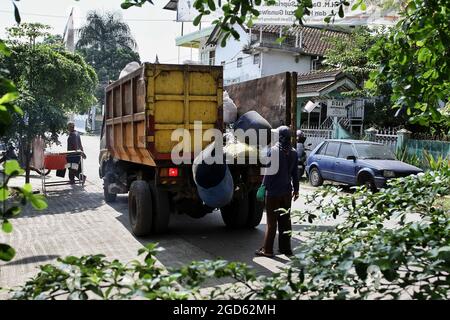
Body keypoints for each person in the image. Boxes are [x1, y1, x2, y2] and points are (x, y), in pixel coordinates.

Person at [255, 126, 299, 258]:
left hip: (273, 193)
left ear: (280, 136)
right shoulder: (294, 153)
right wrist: (296, 190)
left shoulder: (273, 151)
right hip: (286, 193)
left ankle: (267, 250)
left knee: (271, 223)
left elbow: (268, 173)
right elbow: (295, 174)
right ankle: (286, 249)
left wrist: (263, 188)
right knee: (285, 221)